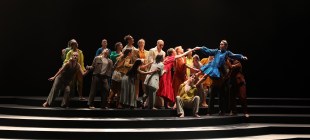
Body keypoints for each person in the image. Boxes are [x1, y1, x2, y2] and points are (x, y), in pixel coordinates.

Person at [194, 40, 248, 115]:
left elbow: (235, 55)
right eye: (220, 44)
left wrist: (242, 56)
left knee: (221, 93)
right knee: (212, 92)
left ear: (226, 46)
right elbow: (208, 51)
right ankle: (210, 111)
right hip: (213, 68)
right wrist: (200, 48)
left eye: (222, 44)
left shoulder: (227, 53)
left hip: (220, 72)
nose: (220, 45)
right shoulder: (216, 51)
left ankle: (222, 111)